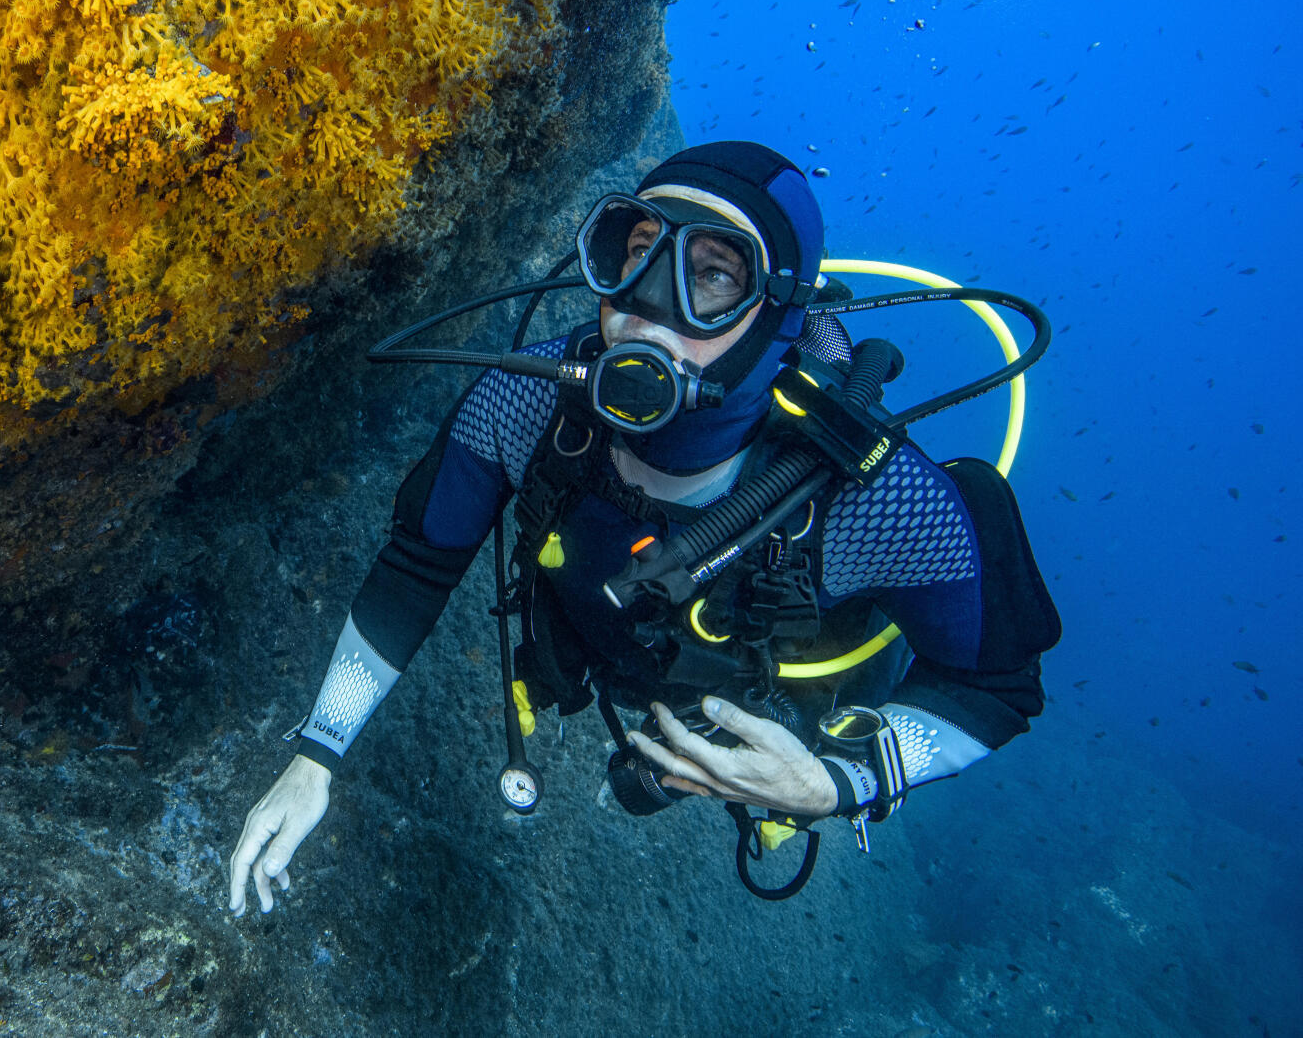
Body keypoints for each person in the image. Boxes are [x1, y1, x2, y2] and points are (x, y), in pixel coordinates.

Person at [227, 140, 1061, 915]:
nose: (648, 309)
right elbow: (418, 564)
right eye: (637, 254)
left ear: (778, 311)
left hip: (795, 724)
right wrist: (317, 753)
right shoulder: (524, 404)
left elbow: (996, 688)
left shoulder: (875, 498)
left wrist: (835, 783)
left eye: (715, 273)